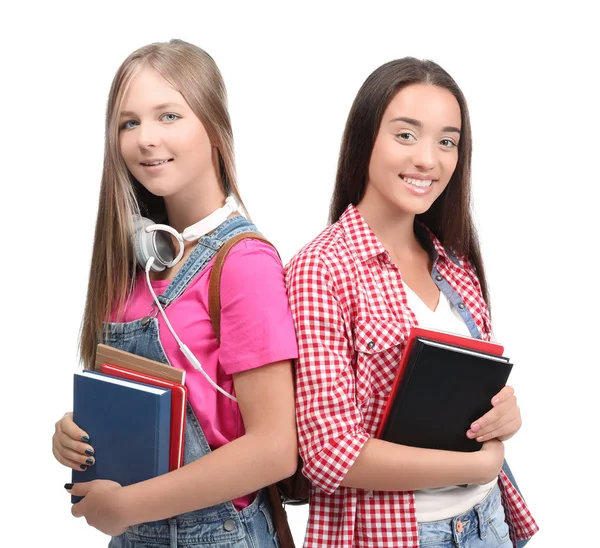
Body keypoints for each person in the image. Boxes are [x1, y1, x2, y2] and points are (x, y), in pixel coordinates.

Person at [51, 39, 298, 547]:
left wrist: (129, 506)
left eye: (168, 116)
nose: (146, 139)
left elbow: (275, 448)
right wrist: (74, 434)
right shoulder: (133, 263)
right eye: (129, 122)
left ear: (213, 128)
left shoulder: (244, 263)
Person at [285, 58, 539, 548]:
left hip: (486, 523)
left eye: (447, 141)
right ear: (365, 141)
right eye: (406, 135)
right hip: (396, 535)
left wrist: (504, 415)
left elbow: (464, 398)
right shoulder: (321, 269)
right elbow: (329, 452)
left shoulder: (455, 264)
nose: (429, 159)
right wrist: (475, 462)